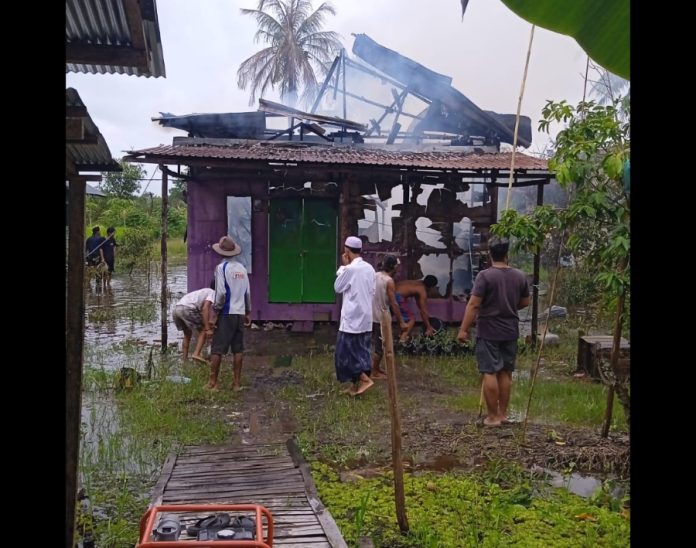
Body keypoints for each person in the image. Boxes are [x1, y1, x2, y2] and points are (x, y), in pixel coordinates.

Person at [457, 236, 530, 427]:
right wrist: (508, 305)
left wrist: (463, 330)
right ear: (507, 254)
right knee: (506, 372)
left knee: (489, 371)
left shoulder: (485, 276)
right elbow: (525, 302)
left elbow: (473, 304)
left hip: (488, 330)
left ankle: (492, 417)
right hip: (510, 330)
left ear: (490, 254)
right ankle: (503, 414)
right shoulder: (519, 276)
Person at [207, 236, 251, 391]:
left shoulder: (221, 268)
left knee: (217, 348)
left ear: (221, 252)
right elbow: (247, 293)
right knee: (238, 349)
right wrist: (248, 312)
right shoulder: (242, 269)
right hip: (240, 313)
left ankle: (213, 383)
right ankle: (236, 383)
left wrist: (215, 312)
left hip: (227, 312)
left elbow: (220, 293)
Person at [334, 236, 376, 396]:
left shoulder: (351, 269)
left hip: (352, 318)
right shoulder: (369, 268)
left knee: (344, 354)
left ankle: (364, 380)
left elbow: (338, 287)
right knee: (362, 352)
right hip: (366, 316)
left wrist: (344, 267)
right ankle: (355, 386)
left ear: (347, 250)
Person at [371, 255, 407, 379]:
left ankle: (375, 369)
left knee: (376, 344)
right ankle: (374, 371)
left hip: (370, 315)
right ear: (394, 267)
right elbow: (394, 303)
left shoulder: (374, 275)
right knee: (380, 347)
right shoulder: (389, 281)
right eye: (397, 265)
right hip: (381, 317)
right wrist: (401, 321)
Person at [172, 284, 216, 362]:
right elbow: (205, 308)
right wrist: (208, 329)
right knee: (203, 330)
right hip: (187, 309)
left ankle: (184, 359)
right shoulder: (213, 292)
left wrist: (208, 322)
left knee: (187, 334)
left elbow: (200, 314)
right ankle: (196, 354)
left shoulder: (202, 291)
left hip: (176, 309)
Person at [394, 274, 439, 343]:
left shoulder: (417, 284)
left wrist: (427, 316)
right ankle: (402, 339)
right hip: (398, 296)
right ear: (431, 287)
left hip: (389, 294)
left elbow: (420, 307)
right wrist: (428, 327)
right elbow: (423, 311)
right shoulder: (422, 290)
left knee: (401, 318)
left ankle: (400, 335)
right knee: (411, 319)